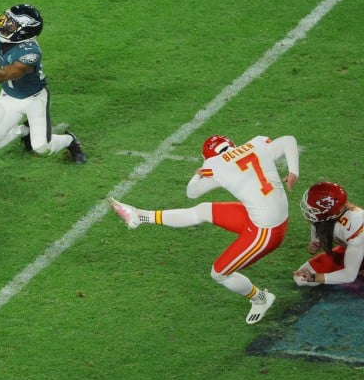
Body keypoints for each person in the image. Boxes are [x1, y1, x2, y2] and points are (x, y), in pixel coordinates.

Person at [108, 134, 300, 325]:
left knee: (219, 273)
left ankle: (260, 299)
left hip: (266, 231)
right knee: (203, 210)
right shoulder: (256, 144)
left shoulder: (216, 166)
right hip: (267, 216)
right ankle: (140, 216)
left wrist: (199, 173)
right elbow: (288, 141)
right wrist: (293, 172)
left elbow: (191, 192)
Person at [0, 4, 86, 163]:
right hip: (8, 98)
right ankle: (25, 130)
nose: (5, 23)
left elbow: (5, 75)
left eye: (12, 23)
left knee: (41, 147)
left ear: (24, 30)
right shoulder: (2, 31)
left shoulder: (30, 52)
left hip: (34, 99)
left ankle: (70, 140)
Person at [293, 181, 364, 304]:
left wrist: (314, 277)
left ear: (328, 211)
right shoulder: (328, 216)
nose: (309, 211)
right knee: (300, 278)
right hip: (353, 249)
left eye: (313, 209)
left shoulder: (354, 221)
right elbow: (317, 222)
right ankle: (363, 266)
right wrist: (316, 241)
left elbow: (349, 275)